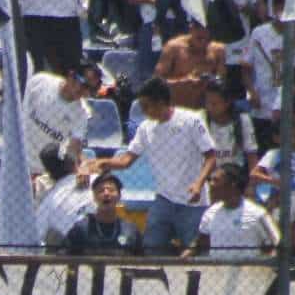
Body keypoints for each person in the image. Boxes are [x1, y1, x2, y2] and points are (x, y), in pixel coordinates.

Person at [93, 77, 217, 256]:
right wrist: (103, 163)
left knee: (194, 253)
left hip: (193, 203)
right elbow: (127, 160)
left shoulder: (191, 121)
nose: (143, 112)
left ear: (161, 103)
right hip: (163, 199)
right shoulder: (145, 128)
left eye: (146, 106)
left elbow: (211, 156)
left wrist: (199, 183)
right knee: (151, 248)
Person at [191, 161, 278, 256]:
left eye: (216, 180)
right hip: (218, 270)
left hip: (249, 270)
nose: (211, 184)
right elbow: (200, 243)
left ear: (233, 184)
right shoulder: (211, 212)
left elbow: (275, 246)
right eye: (210, 180)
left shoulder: (257, 213)